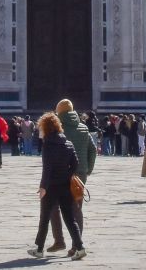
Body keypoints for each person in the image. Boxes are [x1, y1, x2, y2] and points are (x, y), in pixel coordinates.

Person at [26, 112, 86, 261]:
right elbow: (75, 164)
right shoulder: (68, 143)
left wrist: (43, 187)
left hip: (51, 187)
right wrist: (67, 175)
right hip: (65, 186)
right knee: (70, 218)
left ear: (46, 128)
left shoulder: (47, 145)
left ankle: (39, 249)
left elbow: (47, 168)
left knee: (44, 218)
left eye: (41, 127)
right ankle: (80, 248)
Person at [48, 99, 95, 253]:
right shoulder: (83, 127)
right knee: (76, 208)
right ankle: (76, 245)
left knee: (53, 206)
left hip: (61, 174)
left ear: (59, 111)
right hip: (80, 173)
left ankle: (59, 241)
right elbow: (93, 149)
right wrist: (88, 168)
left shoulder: (58, 128)